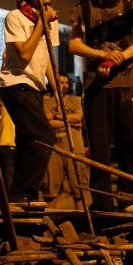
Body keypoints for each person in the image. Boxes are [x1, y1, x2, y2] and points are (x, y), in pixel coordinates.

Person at [69, 0, 133, 211]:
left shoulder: (132, 6)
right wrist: (102, 55)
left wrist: (121, 57)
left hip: (126, 84)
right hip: (96, 86)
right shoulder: (84, 7)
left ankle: (129, 198)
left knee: (130, 145)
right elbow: (74, 44)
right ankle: (102, 204)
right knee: (99, 149)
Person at [0, 0, 58, 202]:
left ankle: (22, 194)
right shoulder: (15, 17)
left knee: (28, 141)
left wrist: (57, 88)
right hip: (15, 83)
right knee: (43, 136)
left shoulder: (49, 22)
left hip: (34, 87)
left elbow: (48, 61)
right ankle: (22, 191)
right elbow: (23, 54)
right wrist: (41, 25)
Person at [43, 73, 90, 207]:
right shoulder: (45, 101)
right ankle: (50, 223)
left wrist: (55, 117)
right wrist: (70, 121)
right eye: (60, 82)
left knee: (78, 190)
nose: (63, 85)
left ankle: (82, 223)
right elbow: (46, 121)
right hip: (53, 148)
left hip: (74, 148)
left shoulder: (75, 100)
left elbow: (78, 118)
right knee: (51, 191)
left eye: (65, 82)